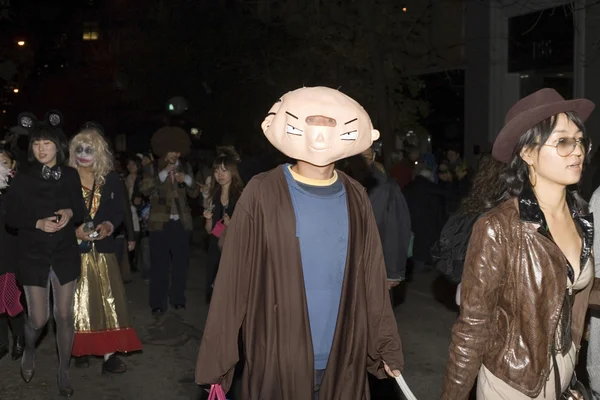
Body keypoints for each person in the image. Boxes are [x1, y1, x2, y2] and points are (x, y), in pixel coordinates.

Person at [195, 87, 403, 399]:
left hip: (342, 355)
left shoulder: (357, 196)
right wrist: (217, 363)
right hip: (277, 356)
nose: (319, 137)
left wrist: (385, 346)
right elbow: (233, 281)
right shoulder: (262, 192)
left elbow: (371, 277)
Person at [442, 88, 598, 399]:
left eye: (580, 140)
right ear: (527, 153)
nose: (577, 150)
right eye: (563, 141)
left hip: (563, 374)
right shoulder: (498, 228)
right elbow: (471, 329)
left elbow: (569, 290)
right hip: (512, 383)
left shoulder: (581, 215)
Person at [5, 111, 85, 397]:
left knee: (64, 315)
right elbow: (10, 216)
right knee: (38, 319)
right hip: (33, 253)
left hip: (63, 252)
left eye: (46, 143)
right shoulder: (23, 178)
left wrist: (69, 211)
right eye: (37, 143)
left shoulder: (71, 175)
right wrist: (37, 222)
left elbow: (80, 208)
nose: (41, 148)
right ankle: (28, 348)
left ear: (58, 146)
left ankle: (63, 370)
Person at [68, 123, 142, 373]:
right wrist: (74, 230)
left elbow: (119, 210)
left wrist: (109, 225)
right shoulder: (66, 179)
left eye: (89, 149)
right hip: (75, 252)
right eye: (79, 149)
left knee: (110, 299)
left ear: (99, 152)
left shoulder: (110, 179)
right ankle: (80, 347)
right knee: (78, 302)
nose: (83, 154)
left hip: (105, 250)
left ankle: (110, 355)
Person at [140, 126, 200, 315]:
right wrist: (164, 172)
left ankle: (178, 299)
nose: (175, 154)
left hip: (181, 223)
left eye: (177, 150)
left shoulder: (187, 167)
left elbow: (195, 192)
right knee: (159, 265)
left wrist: (188, 180)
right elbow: (144, 189)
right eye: (171, 150)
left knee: (181, 265)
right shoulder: (152, 168)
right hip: (159, 224)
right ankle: (158, 303)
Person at [203, 147, 244, 303]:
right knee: (214, 288)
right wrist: (208, 219)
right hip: (216, 245)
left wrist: (232, 224)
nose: (219, 175)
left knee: (231, 290)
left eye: (224, 171)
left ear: (232, 172)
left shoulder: (241, 195)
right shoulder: (214, 195)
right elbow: (210, 231)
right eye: (216, 171)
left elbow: (249, 227)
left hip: (234, 246)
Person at [0, 146, 25, 361]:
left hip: (12, 250)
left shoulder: (18, 187)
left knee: (10, 298)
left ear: (13, 164)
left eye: (4, 162)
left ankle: (19, 337)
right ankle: (2, 342)